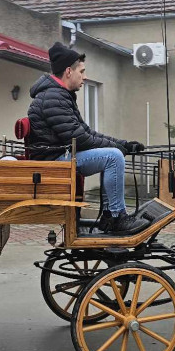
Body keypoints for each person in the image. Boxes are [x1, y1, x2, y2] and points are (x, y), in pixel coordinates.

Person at [27, 42, 147, 235]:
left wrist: (123, 144)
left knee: (114, 153)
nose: (85, 77)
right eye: (81, 72)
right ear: (68, 71)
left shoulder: (60, 96)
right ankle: (116, 217)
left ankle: (110, 215)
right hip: (54, 163)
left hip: (60, 157)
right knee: (113, 157)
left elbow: (86, 132)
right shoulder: (52, 98)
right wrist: (118, 149)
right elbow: (80, 138)